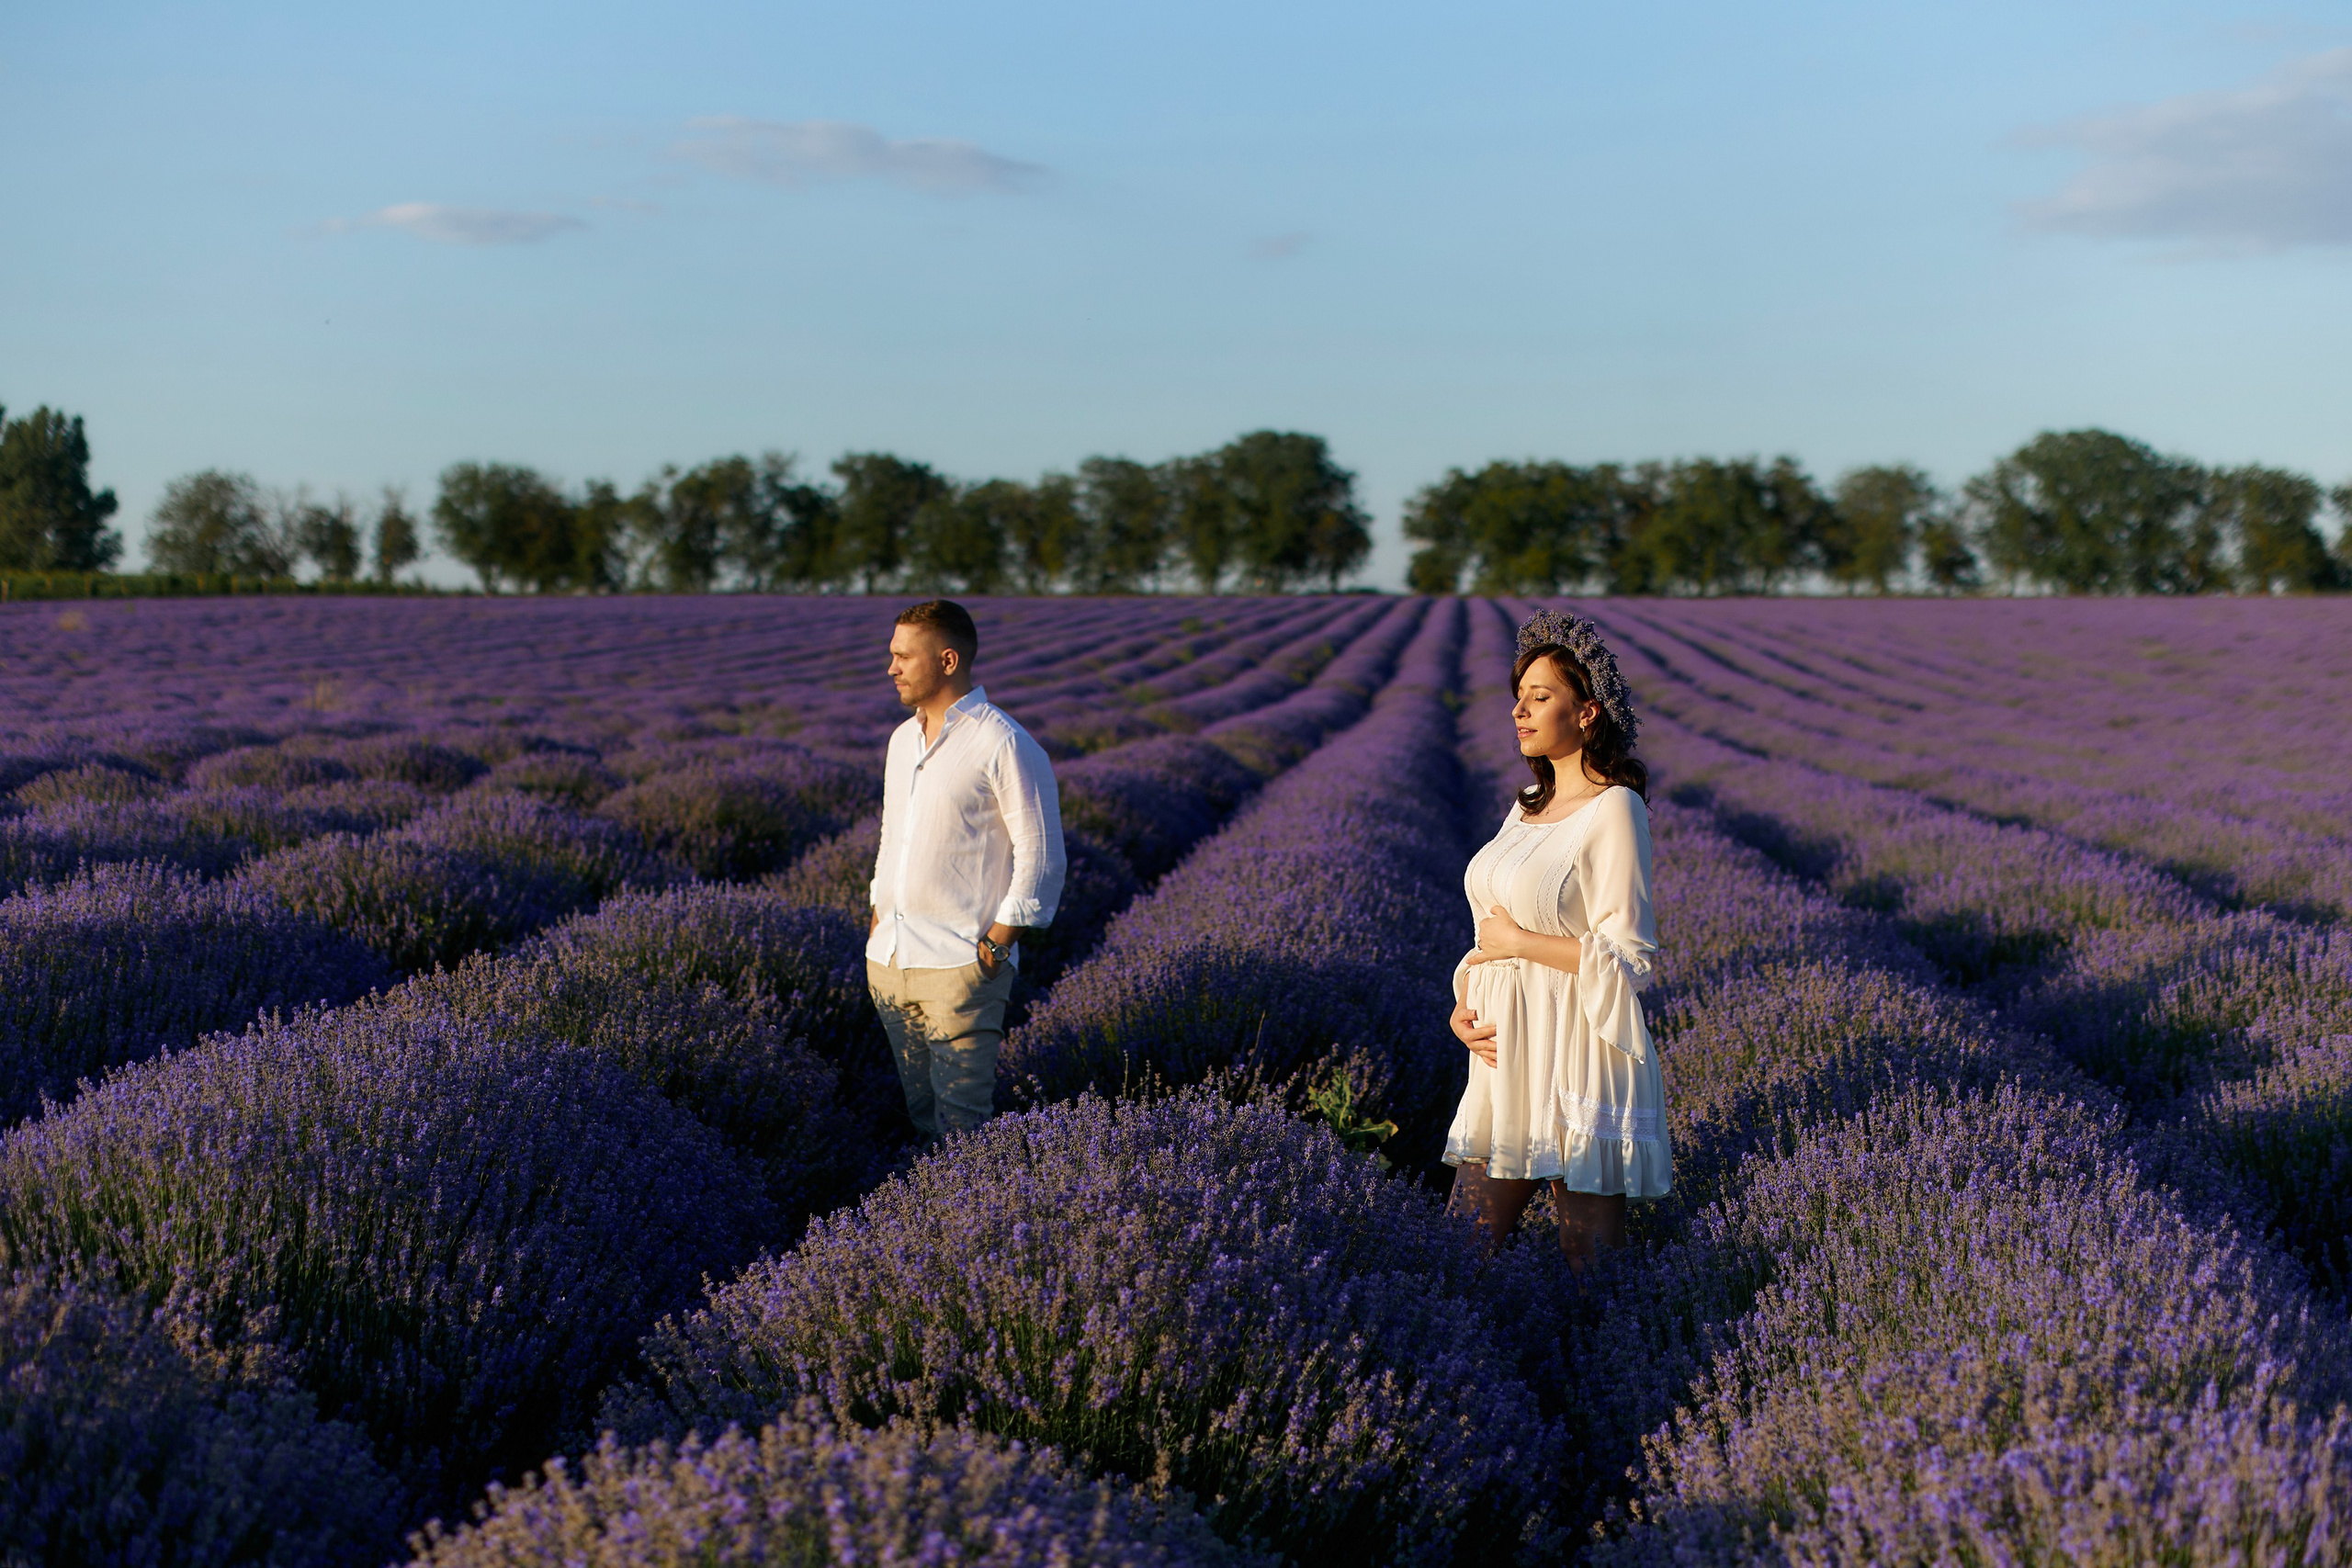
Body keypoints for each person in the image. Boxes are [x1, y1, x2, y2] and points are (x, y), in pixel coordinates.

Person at [1442, 608, 1668, 1266]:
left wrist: (1519, 942)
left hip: (1575, 1050)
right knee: (1460, 1249)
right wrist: (1463, 1003)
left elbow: (1630, 958)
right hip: (1503, 1055)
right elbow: (1492, 929)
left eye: (1539, 697)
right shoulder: (1525, 805)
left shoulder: (1615, 807)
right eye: (1518, 697)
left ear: (1587, 712)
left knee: (1588, 1264)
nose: (1519, 711)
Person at [867, 599, 1067, 1142]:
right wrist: (878, 915)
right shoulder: (902, 740)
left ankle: (976, 1202)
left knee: (962, 1129)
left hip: (960, 966)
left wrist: (996, 948)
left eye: (904, 657)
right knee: (919, 1116)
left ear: (948, 660)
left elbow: (1042, 856)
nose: (891, 668)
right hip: (891, 960)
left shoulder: (1003, 741)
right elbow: (893, 836)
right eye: (892, 655)